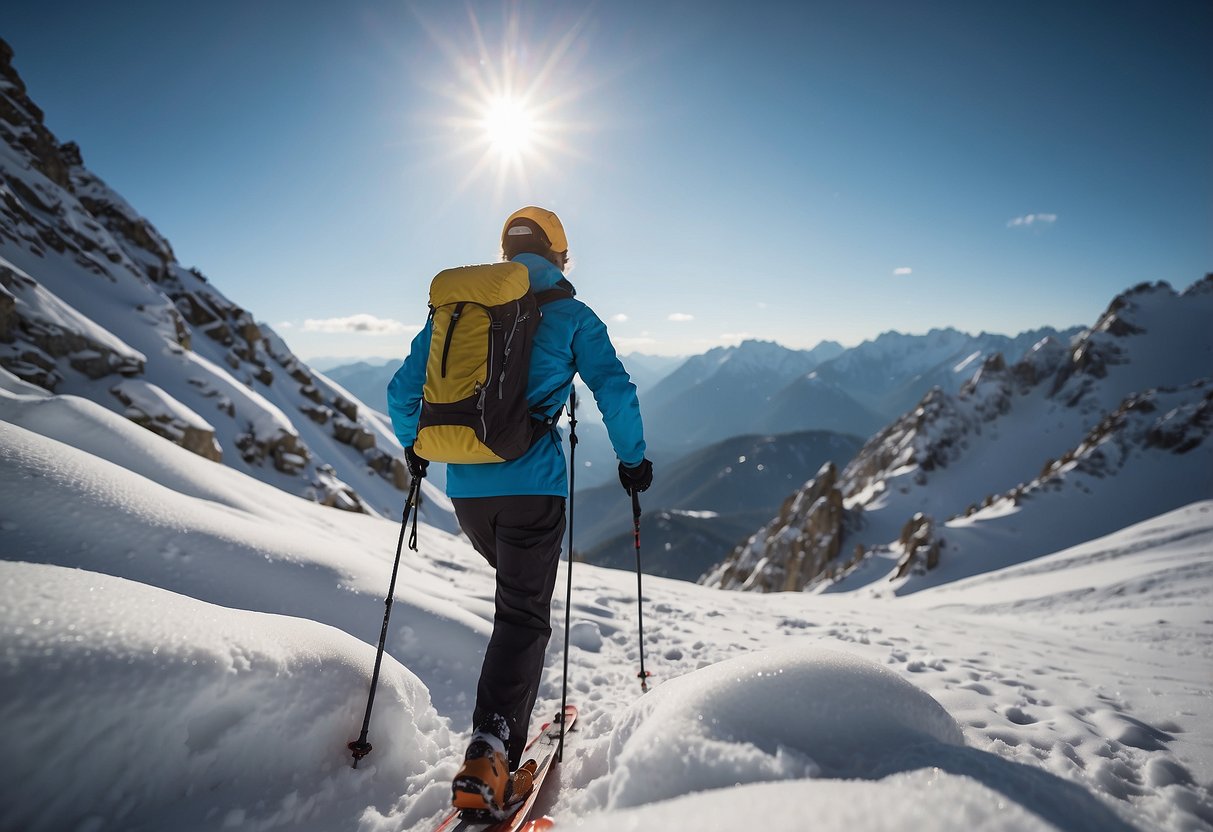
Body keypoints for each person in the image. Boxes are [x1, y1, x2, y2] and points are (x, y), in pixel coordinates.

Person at [387, 205, 652, 813]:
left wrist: (417, 446)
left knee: (516, 608)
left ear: (506, 255)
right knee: (523, 617)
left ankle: (498, 733)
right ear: (559, 256)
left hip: (465, 492)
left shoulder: (462, 314)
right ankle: (490, 749)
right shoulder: (571, 315)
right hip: (532, 488)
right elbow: (615, 388)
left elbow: (403, 392)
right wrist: (633, 460)